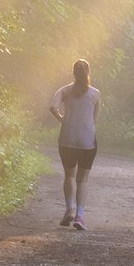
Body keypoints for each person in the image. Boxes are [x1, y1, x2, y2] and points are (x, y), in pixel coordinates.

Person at [49, 59, 100, 230]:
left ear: (73, 72)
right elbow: (94, 119)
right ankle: (80, 216)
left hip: (67, 139)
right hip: (87, 140)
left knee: (69, 176)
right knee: (82, 180)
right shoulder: (95, 94)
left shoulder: (64, 91)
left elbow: (52, 107)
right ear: (88, 72)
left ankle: (69, 210)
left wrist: (63, 119)